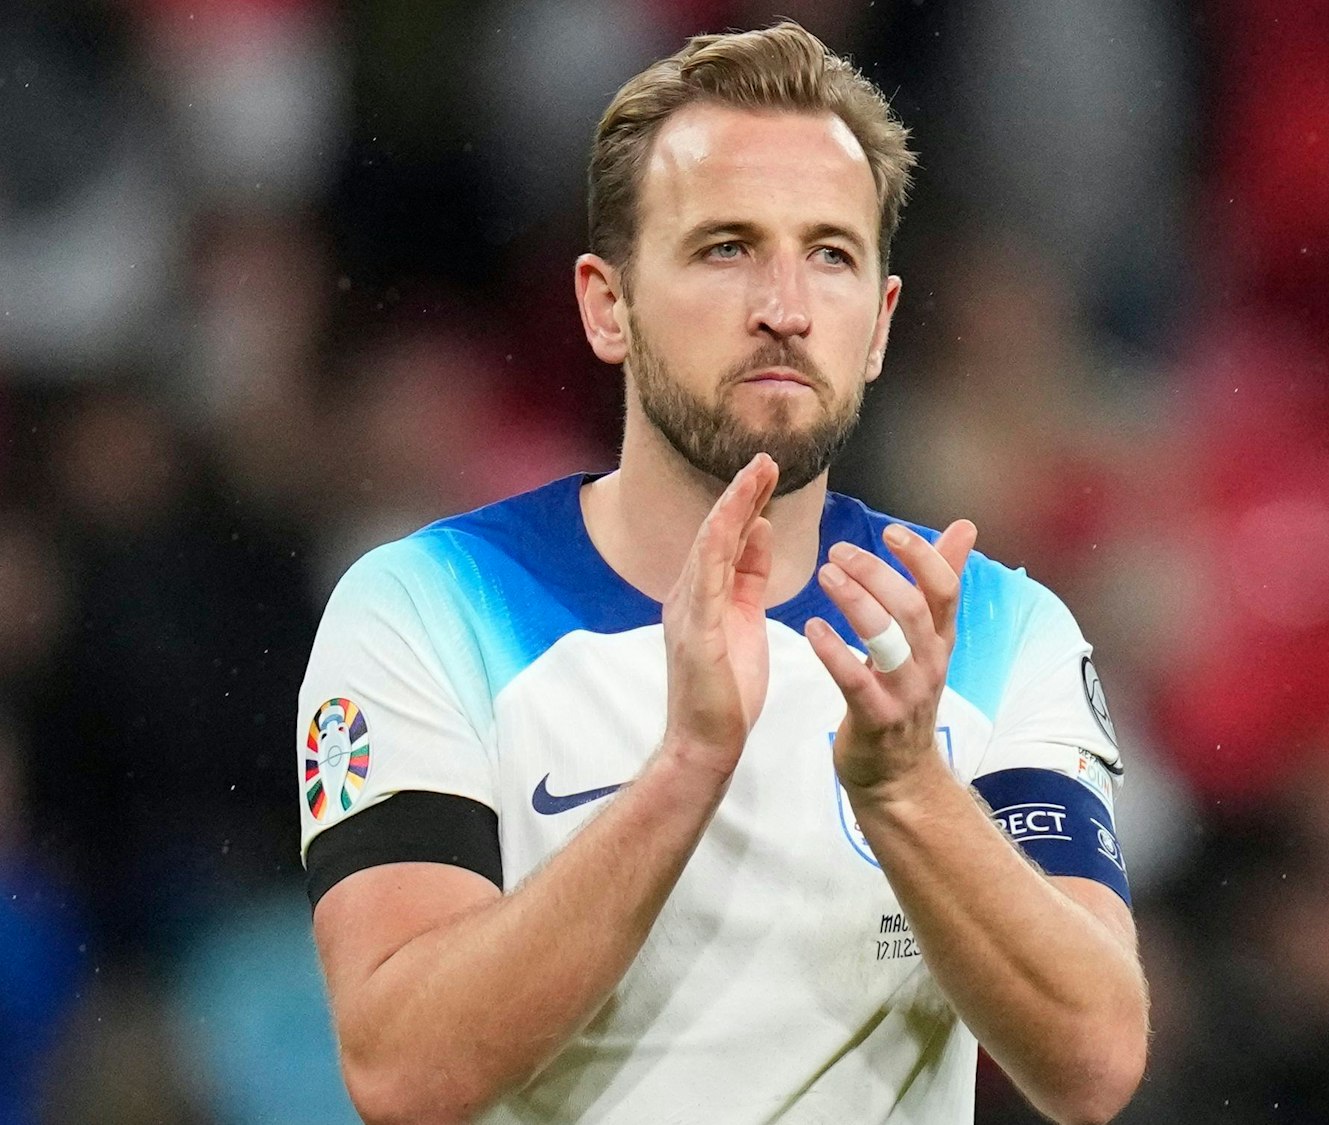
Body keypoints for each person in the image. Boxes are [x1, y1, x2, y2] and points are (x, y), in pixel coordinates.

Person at [295, 21, 1148, 1125]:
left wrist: (905, 792)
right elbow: (402, 1071)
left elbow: (1092, 1064)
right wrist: (686, 767)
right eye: (725, 247)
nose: (784, 307)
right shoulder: (420, 609)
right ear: (608, 304)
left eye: (830, 254)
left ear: (880, 324)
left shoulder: (989, 626)